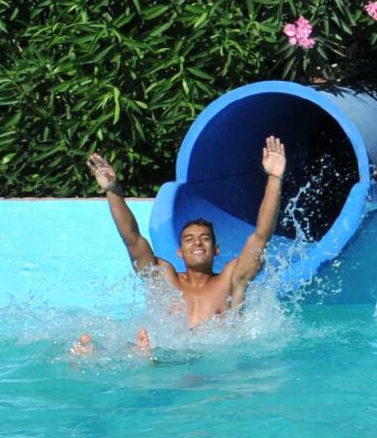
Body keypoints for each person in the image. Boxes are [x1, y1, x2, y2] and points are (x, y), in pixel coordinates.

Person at [86, 137, 288, 329]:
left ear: (216, 250)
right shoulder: (165, 280)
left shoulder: (232, 280)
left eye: (205, 238)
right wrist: (113, 190)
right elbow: (132, 239)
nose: (197, 243)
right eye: (189, 240)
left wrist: (274, 178)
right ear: (180, 252)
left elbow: (261, 236)